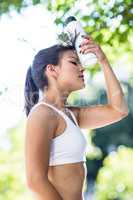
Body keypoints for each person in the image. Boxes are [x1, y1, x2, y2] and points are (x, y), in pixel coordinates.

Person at [24, 35, 129, 200]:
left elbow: (119, 110)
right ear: (52, 69)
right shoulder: (42, 114)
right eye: (74, 62)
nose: (82, 68)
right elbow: (35, 180)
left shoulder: (71, 115)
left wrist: (103, 60)